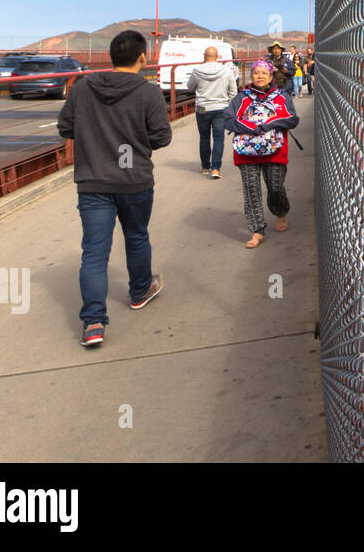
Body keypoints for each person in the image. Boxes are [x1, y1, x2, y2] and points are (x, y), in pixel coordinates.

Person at [56, 29, 170, 348]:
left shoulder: (82, 88)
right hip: (134, 181)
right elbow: (162, 137)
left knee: (94, 252)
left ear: (111, 56)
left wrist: (95, 140)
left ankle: (93, 322)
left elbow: (65, 126)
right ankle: (139, 291)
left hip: (93, 181)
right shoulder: (149, 93)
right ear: (143, 57)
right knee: (136, 235)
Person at [225, 59, 299, 248]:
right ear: (251, 75)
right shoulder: (241, 98)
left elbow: (292, 119)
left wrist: (269, 124)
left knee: (275, 186)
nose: (259, 76)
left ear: (271, 76)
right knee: (251, 190)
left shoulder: (282, 97)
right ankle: (257, 230)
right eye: (256, 72)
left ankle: (280, 211)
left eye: (264, 73)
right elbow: (228, 119)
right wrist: (252, 127)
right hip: (246, 151)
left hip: (275, 151)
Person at [186, 45, 238, 179]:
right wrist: (230, 107)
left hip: (202, 108)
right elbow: (233, 91)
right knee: (219, 138)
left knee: (204, 137)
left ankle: (205, 167)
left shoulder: (197, 70)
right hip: (220, 108)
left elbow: (190, 87)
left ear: (204, 56)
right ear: (217, 57)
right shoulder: (226, 71)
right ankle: (216, 169)